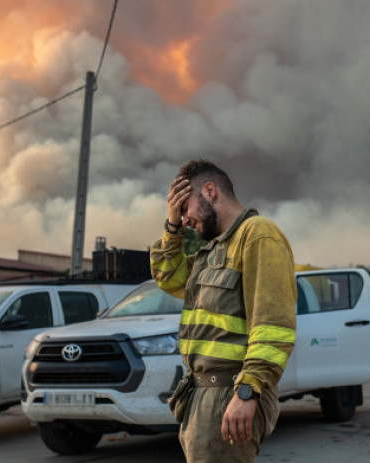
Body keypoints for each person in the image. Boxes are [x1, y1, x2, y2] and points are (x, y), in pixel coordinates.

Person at [150, 160, 296, 462]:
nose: (185, 218)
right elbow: (168, 277)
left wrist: (247, 391)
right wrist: (172, 226)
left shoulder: (258, 234)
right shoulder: (213, 251)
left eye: (185, 207)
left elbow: (272, 326)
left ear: (210, 191)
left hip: (230, 392)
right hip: (202, 395)